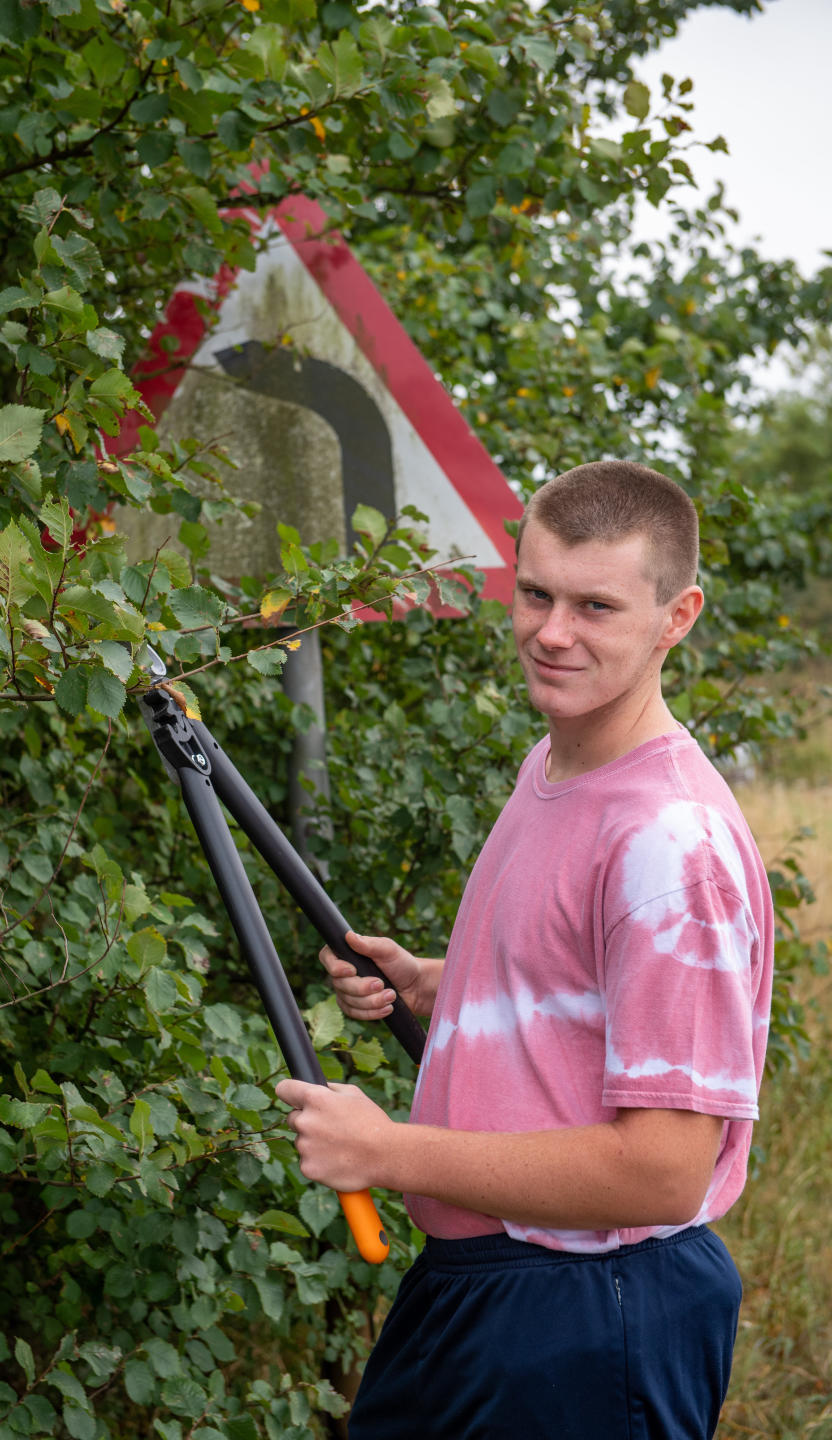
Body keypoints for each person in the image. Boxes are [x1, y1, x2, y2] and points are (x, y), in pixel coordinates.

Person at [276, 461, 774, 1440]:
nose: (552, 632)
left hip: (596, 1305)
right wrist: (439, 982)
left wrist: (387, 1150)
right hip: (487, 1288)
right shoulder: (551, 763)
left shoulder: (668, 844)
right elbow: (579, 987)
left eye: (595, 605)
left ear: (677, 617)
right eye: (536, 592)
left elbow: (664, 1170)